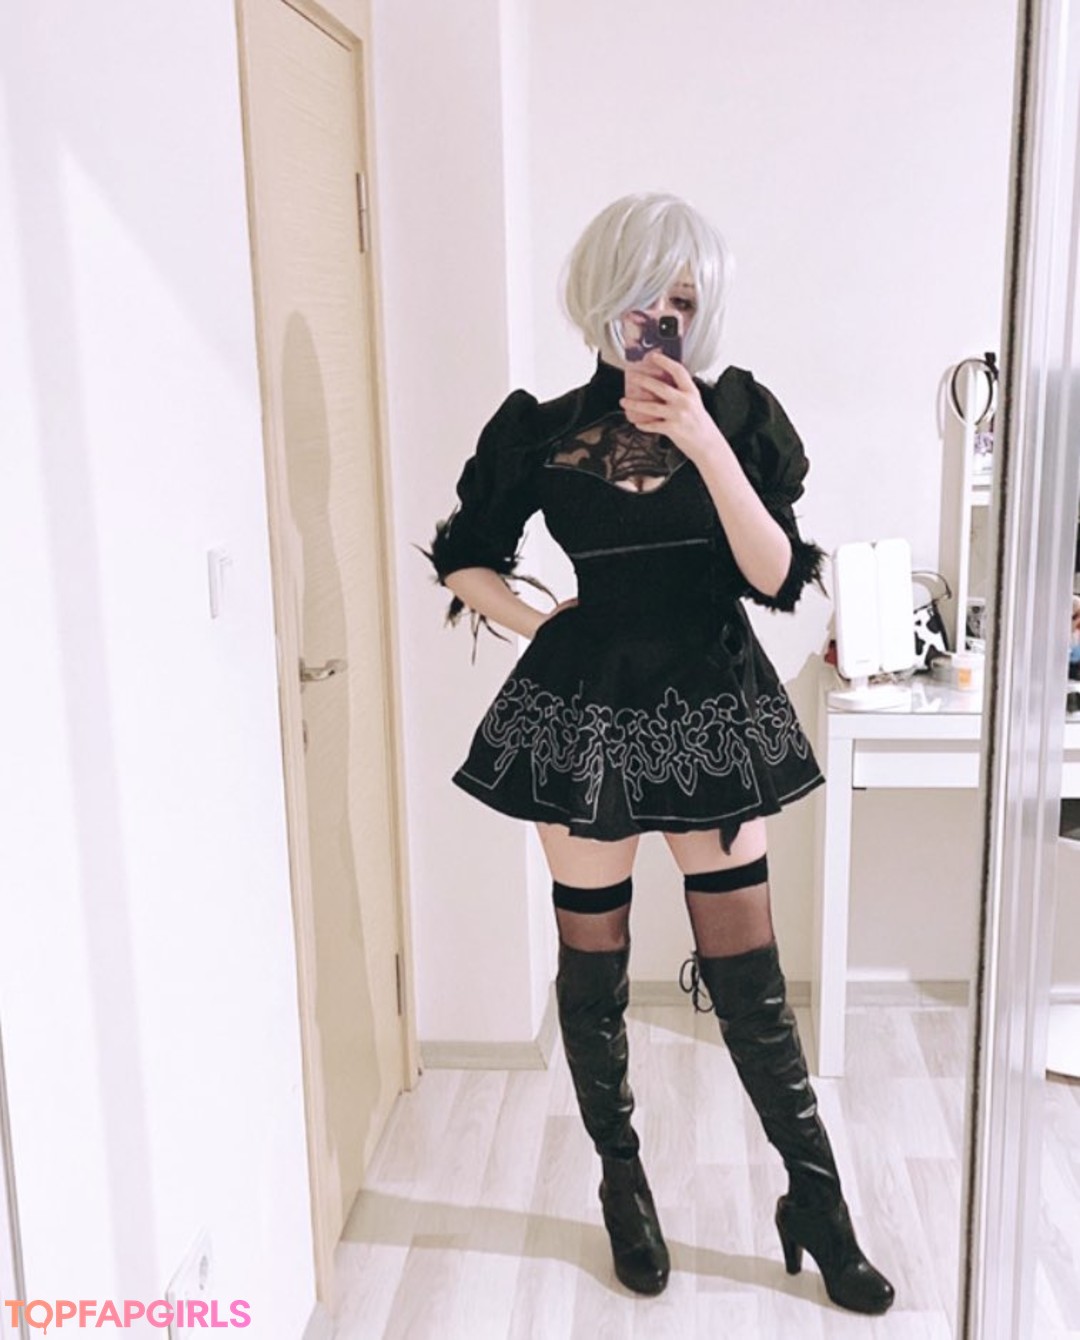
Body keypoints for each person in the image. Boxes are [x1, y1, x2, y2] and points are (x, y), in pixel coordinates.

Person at [423, 193, 895, 1315]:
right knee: (593, 973)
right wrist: (546, 622)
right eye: (646, 295)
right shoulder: (539, 430)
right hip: (582, 716)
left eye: (683, 298)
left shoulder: (737, 412)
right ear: (605, 299)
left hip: (712, 709)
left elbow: (775, 573)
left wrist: (703, 440)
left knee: (751, 982)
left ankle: (818, 1202)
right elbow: (463, 556)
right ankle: (623, 1186)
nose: (664, 317)